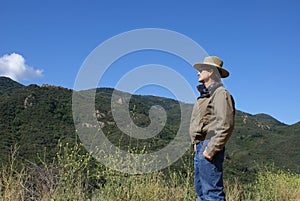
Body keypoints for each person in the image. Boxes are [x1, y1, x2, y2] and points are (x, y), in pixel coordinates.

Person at [189, 56, 235, 201]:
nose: (198, 73)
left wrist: (210, 149)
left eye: (201, 70)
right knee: (201, 192)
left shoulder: (221, 94)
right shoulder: (205, 95)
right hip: (201, 145)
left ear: (210, 72)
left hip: (209, 146)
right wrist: (196, 143)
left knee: (212, 193)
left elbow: (225, 125)